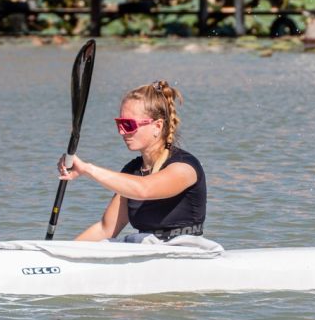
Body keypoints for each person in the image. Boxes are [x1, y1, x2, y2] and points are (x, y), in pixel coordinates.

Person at [58, 80, 206, 242]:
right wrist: (60, 254)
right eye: (120, 123)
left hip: (185, 254)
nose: (122, 132)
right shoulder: (133, 170)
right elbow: (105, 229)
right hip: (147, 251)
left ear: (157, 126)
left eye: (128, 125)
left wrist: (87, 169)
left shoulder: (184, 167)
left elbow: (144, 190)